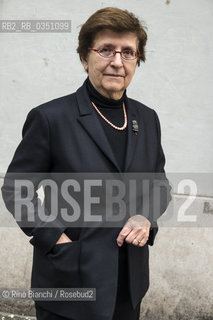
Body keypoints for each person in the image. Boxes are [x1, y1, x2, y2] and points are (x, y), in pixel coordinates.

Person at [1, 7, 171, 320]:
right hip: (69, 282)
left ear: (137, 60)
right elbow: (17, 188)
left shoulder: (147, 119)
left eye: (128, 52)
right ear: (84, 57)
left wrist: (145, 217)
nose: (117, 61)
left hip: (128, 285)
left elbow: (159, 185)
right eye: (106, 49)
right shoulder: (51, 118)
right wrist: (56, 239)